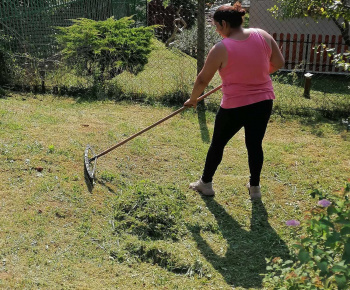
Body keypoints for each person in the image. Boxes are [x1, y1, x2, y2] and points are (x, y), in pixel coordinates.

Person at [184, 2, 285, 199]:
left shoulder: (221, 48)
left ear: (223, 24)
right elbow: (278, 63)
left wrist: (193, 99)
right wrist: (255, 75)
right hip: (263, 102)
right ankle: (255, 188)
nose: (216, 30)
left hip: (235, 106)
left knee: (218, 144)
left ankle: (206, 184)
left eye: (215, 26)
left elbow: (203, 79)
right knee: (255, 144)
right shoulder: (262, 35)